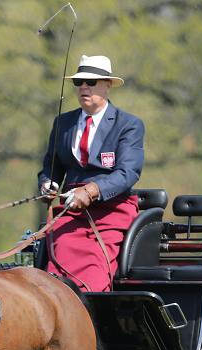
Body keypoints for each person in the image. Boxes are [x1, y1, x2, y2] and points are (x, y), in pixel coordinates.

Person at [38, 55, 145, 292]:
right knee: (56, 271)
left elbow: (128, 172)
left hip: (110, 211)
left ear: (108, 85)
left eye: (92, 81)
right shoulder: (62, 123)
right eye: (79, 82)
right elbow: (52, 166)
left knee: (93, 273)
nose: (84, 87)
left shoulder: (128, 124)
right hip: (70, 211)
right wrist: (48, 184)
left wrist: (92, 190)